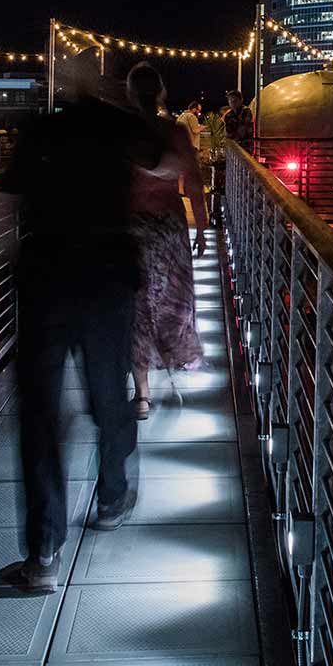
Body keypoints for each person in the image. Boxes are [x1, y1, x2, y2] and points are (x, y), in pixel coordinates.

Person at [0, 77, 158, 591]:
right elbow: (164, 161)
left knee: (41, 411)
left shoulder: (40, 128)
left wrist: (5, 261)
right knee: (109, 390)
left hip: (46, 273)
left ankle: (43, 552)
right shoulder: (117, 126)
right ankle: (111, 496)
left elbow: (4, 204)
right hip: (108, 273)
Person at [125, 64, 208, 421]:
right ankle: (174, 364)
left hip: (132, 229)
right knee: (173, 301)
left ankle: (141, 394)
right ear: (161, 92)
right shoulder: (174, 132)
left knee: (138, 306)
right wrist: (202, 227)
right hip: (170, 229)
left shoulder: (123, 132)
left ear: (129, 93)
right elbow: (193, 182)